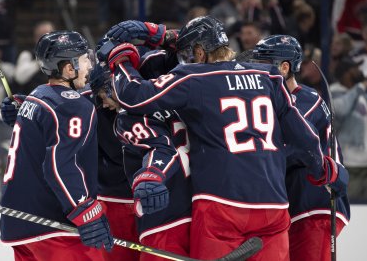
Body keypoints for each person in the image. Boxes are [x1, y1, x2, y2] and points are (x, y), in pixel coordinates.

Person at [99, 15, 347, 261]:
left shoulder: (194, 78)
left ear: (199, 52)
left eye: (187, 54)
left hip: (221, 205)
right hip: (274, 205)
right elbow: (302, 136)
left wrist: (120, 59)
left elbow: (132, 95)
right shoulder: (269, 76)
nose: (184, 61)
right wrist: (324, 170)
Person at [0, 30, 113, 260]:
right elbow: (61, 166)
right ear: (69, 68)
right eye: (84, 59)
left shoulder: (36, 96)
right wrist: (84, 212)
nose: (90, 66)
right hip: (55, 227)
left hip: (19, 226)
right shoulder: (73, 106)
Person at [252, 34, 350, 261]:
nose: (255, 72)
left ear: (284, 67)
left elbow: (292, 149)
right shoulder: (273, 101)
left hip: (315, 204)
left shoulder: (305, 99)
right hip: (295, 205)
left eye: (262, 65)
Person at [90, 60, 192, 261]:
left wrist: (150, 174)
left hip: (161, 212)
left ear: (112, 87)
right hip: (194, 204)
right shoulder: (173, 99)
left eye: (102, 96)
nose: (103, 104)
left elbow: (161, 148)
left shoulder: (127, 118)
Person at [330, 58, 367, 202]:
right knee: (351, 206)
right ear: (347, 73)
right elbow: (341, 110)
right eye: (356, 68)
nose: (360, 71)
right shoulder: (334, 92)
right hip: (351, 163)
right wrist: (359, 87)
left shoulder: (363, 93)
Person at [13, 20, 55, 95]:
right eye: (42, 36)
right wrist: (40, 61)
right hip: (33, 99)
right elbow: (19, 78)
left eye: (50, 35)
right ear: (36, 38)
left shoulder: (61, 56)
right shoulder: (27, 54)